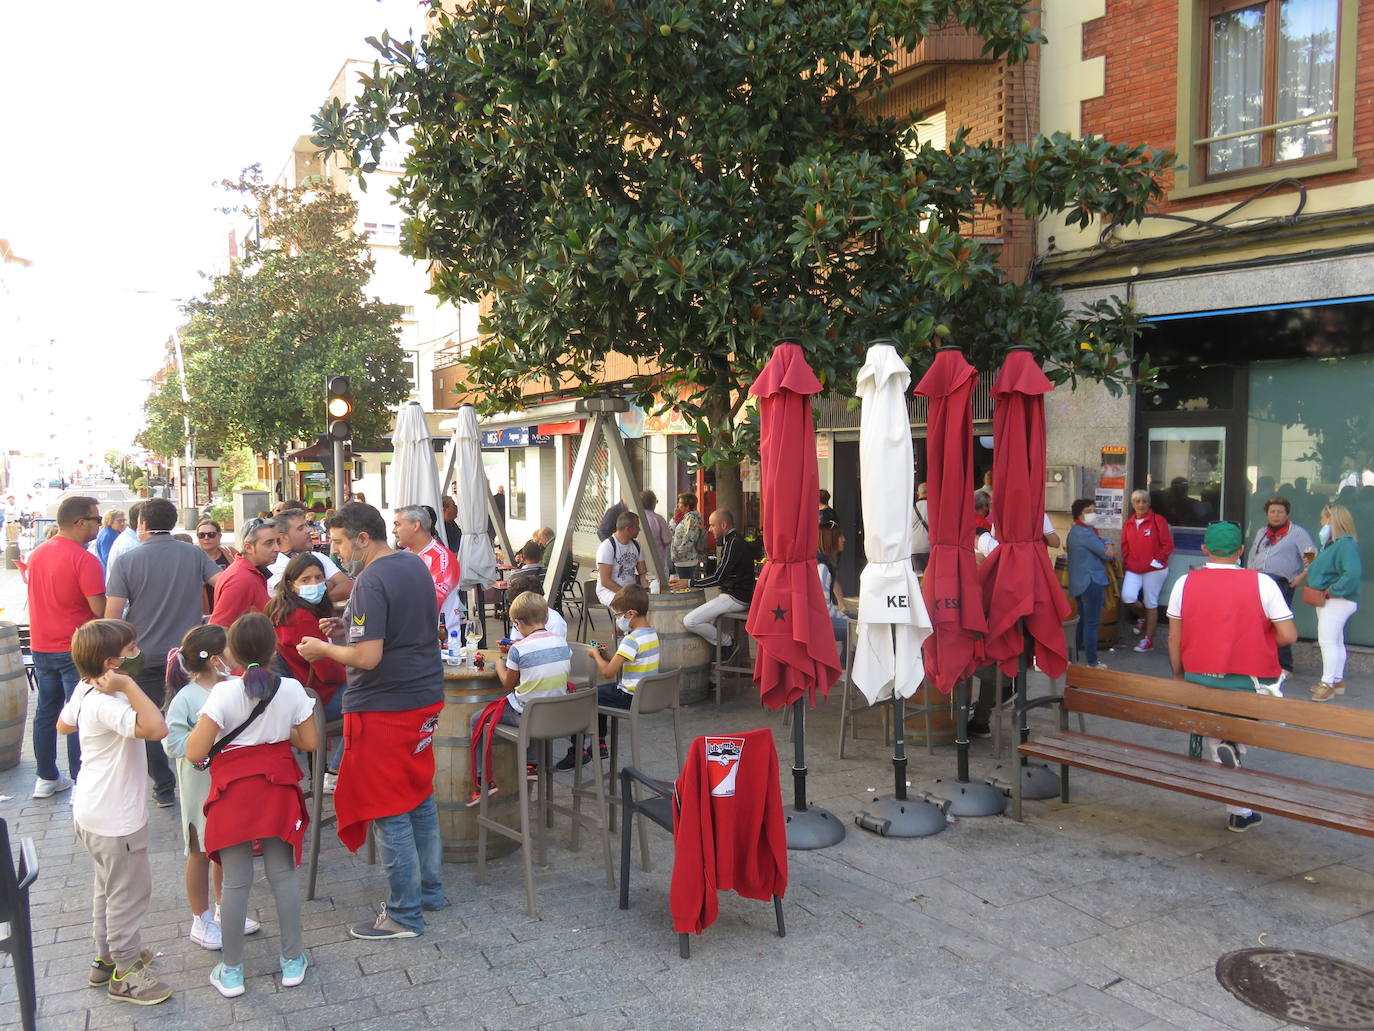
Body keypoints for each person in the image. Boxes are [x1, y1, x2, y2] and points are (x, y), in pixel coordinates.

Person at [295, 503, 446, 940]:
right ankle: (429, 892)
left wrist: (324, 650)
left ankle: (404, 913)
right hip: (422, 696)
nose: (335, 551)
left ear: (363, 538)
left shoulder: (370, 580)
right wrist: (345, 631)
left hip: (385, 705)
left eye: (339, 542)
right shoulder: (413, 565)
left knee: (388, 806)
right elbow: (396, 631)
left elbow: (367, 657)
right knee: (418, 796)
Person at [185, 613, 316, 998]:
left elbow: (195, 751)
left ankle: (232, 971)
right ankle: (293, 961)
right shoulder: (291, 689)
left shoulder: (223, 693)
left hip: (233, 793)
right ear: (274, 649)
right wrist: (274, 730)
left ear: (232, 653)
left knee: (237, 881)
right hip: (277, 789)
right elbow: (308, 742)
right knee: (283, 875)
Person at [56, 618, 173, 1006]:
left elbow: (62, 725)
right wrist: (127, 685)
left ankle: (104, 958)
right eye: (131, 651)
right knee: (128, 894)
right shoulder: (110, 702)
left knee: (106, 888)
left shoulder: (84, 689)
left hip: (89, 810)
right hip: (116, 818)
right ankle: (125, 973)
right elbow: (157, 728)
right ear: (111, 664)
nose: (138, 654)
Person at [1166, 521, 1295, 833]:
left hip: (1200, 679)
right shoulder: (1262, 583)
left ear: (1204, 549)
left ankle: (1239, 807)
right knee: (1253, 717)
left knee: (1217, 731)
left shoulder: (1185, 582)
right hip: (1247, 682)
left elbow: (1174, 639)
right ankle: (1235, 762)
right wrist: (1259, 643)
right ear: (1240, 551)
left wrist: (1180, 676)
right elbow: (1288, 634)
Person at [105, 497, 223, 808]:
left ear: (142, 524)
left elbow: (111, 617)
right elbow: (223, 584)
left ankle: (164, 786)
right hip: (187, 652)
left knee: (151, 717)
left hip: (141, 655)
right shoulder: (194, 554)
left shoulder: (127, 561)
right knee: (197, 712)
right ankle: (203, 771)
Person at [162, 624, 262, 951]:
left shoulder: (237, 685)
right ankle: (200, 918)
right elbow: (173, 742)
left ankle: (225, 909)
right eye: (230, 648)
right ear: (216, 658)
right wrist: (205, 743)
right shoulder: (186, 698)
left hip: (233, 783)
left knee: (226, 849)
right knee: (200, 851)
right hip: (199, 787)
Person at [27, 494, 106, 798]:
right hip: (76, 648)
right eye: (96, 519)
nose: (99, 525)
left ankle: (46, 777)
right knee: (79, 713)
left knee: (46, 712)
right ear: (79, 522)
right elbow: (99, 610)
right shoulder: (84, 559)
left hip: (41, 645)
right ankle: (80, 781)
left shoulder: (38, 554)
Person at [468, 591, 573, 803]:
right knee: (536, 696)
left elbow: (508, 683)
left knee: (477, 719)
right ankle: (531, 764)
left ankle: (483, 781)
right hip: (558, 714)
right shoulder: (562, 643)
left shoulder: (519, 649)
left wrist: (499, 665)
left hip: (529, 717)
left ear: (517, 623)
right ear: (545, 618)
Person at [266, 553, 349, 788]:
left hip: (302, 696)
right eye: (306, 580)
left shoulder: (279, 609)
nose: (314, 585)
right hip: (316, 699)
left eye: (319, 578)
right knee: (371, 698)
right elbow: (328, 673)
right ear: (291, 584)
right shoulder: (301, 616)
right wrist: (352, 664)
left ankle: (335, 768)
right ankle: (336, 769)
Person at [1292, 503, 1362, 702]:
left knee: (1327, 641)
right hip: (1333, 599)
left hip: (1335, 600)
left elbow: (1352, 573)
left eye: (1323, 518)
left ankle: (1327, 684)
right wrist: (1312, 563)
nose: (1321, 522)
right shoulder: (1334, 544)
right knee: (1336, 641)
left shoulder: (1344, 544)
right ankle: (1336, 681)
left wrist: (1333, 590)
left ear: (1333, 520)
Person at [670, 508, 756, 661]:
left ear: (723, 525)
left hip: (735, 597)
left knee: (690, 621)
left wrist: (689, 582)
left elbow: (718, 578)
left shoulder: (733, 543)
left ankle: (728, 643)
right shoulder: (732, 541)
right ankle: (711, 675)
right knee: (704, 623)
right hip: (733, 595)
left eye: (712, 525)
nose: (709, 530)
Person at [1245, 496, 1316, 674]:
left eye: (1279, 512)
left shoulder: (1297, 533)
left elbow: (1311, 557)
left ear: (1287, 514)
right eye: (1272, 512)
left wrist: (1300, 577)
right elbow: (1252, 557)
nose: (1275, 515)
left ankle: (1284, 665)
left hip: (1280, 582)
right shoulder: (1262, 532)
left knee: (1278, 622)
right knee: (1258, 622)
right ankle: (1259, 660)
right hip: (1258, 581)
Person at [588, 583, 660, 742]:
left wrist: (596, 655)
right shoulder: (651, 634)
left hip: (628, 696)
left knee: (589, 696)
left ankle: (592, 745)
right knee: (599, 692)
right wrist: (607, 655)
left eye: (618, 615)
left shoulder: (631, 639)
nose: (618, 620)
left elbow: (608, 673)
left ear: (631, 614)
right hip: (646, 695)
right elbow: (630, 659)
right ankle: (600, 741)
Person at [1120, 489, 1174, 653]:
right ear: (1132, 504)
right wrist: (1128, 562)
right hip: (1134, 569)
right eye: (1137, 501)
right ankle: (1142, 616)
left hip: (1154, 570)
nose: (1141, 504)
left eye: (1144, 501)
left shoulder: (1158, 520)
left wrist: (1155, 561)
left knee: (1151, 603)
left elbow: (1167, 545)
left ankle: (1148, 640)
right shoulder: (1128, 523)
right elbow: (1125, 547)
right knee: (1128, 597)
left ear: (1149, 503)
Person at [394, 504, 463, 626]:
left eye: (398, 524)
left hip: (439, 638)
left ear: (416, 525)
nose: (393, 531)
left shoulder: (442, 558)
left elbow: (430, 604)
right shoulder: (404, 556)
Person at [1066, 499, 1114, 669]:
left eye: (1094, 510)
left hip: (1079, 583)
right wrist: (1108, 543)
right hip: (1091, 581)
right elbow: (1107, 555)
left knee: (1081, 622)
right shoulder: (1086, 533)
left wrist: (1103, 541)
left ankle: (1072, 658)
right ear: (1079, 514)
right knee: (1091, 624)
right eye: (1088, 510)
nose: (1093, 513)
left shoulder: (1075, 531)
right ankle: (1092, 662)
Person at [267, 509, 352, 602]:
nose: (308, 530)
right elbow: (294, 598)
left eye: (306, 525)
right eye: (300, 528)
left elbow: (348, 586)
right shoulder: (274, 564)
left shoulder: (318, 556)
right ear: (283, 537)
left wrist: (313, 595)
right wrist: (328, 585)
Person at [209, 517, 280, 627]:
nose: (277, 548)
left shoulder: (249, 572)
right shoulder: (240, 579)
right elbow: (218, 628)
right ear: (248, 548)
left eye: (277, 542)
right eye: (269, 543)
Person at [817, 523, 855, 659]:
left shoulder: (822, 565)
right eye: (840, 536)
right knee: (860, 629)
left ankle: (846, 660)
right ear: (831, 539)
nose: (844, 539)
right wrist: (846, 617)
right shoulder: (823, 568)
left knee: (857, 621)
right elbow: (824, 607)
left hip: (819, 619)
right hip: (820, 623)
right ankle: (847, 662)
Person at [595, 511, 647, 606]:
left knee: (647, 604)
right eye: (637, 527)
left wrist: (647, 590)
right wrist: (627, 594)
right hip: (609, 592)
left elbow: (643, 573)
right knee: (629, 604)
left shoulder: (637, 546)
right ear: (628, 529)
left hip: (630, 591)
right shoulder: (607, 546)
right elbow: (605, 581)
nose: (639, 530)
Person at [196, 519, 238, 613]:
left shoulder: (231, 553)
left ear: (219, 536)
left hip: (230, 608)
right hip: (204, 611)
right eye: (201, 535)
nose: (206, 538)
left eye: (211, 534)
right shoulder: (192, 557)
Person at [669, 492, 707, 580]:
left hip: (686, 560)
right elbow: (671, 531)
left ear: (687, 506)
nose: (678, 505)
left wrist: (677, 554)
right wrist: (675, 518)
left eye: (680, 503)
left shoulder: (691, 519)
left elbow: (689, 539)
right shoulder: (683, 518)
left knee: (685, 586)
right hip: (682, 560)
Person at [105, 500, 143, 578]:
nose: (122, 523)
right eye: (119, 521)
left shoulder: (125, 537)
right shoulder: (131, 547)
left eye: (123, 520)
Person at [639, 489, 673, 572]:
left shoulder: (635, 517)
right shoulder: (658, 519)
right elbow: (667, 540)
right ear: (653, 503)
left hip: (638, 563)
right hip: (657, 563)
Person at [911, 491, 930, 573]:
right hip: (928, 547)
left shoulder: (911, 508)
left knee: (918, 576)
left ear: (918, 493)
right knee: (929, 575)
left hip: (914, 548)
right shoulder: (932, 507)